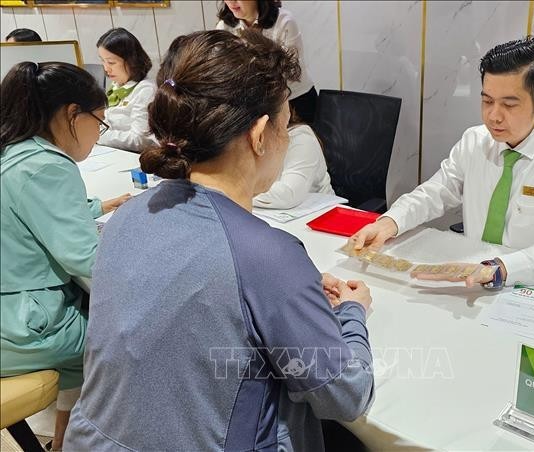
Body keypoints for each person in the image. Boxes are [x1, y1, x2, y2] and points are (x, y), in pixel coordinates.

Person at [64, 30, 374, 451]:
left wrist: (282, 291)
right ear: (260, 133)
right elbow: (346, 394)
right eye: (286, 125)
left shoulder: (131, 215)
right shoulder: (268, 256)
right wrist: (353, 313)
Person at [351, 36, 534, 289]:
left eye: (509, 104)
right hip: (471, 280)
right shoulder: (475, 141)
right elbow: (435, 192)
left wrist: (498, 269)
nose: (493, 116)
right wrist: (390, 222)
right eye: (487, 101)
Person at [0, 61, 130, 450]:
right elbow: (86, 261)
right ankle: (84, 441)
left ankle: (65, 439)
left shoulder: (14, 149)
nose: (97, 133)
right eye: (99, 122)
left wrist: (95, 209)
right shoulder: (46, 166)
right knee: (118, 336)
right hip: (17, 324)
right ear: (73, 114)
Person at [216, 0, 318, 123]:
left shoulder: (284, 21)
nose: (231, 2)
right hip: (256, 107)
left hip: (296, 101)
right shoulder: (223, 28)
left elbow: (290, 71)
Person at [253, 106, 334, 209]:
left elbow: (288, 195)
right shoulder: (247, 141)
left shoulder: (302, 138)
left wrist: (237, 190)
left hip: (322, 215)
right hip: (274, 215)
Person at [96, 27, 156, 153]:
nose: (106, 69)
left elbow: (140, 140)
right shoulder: (116, 86)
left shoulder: (146, 90)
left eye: (111, 62)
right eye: (103, 61)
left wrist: (98, 136)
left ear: (131, 61)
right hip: (113, 152)